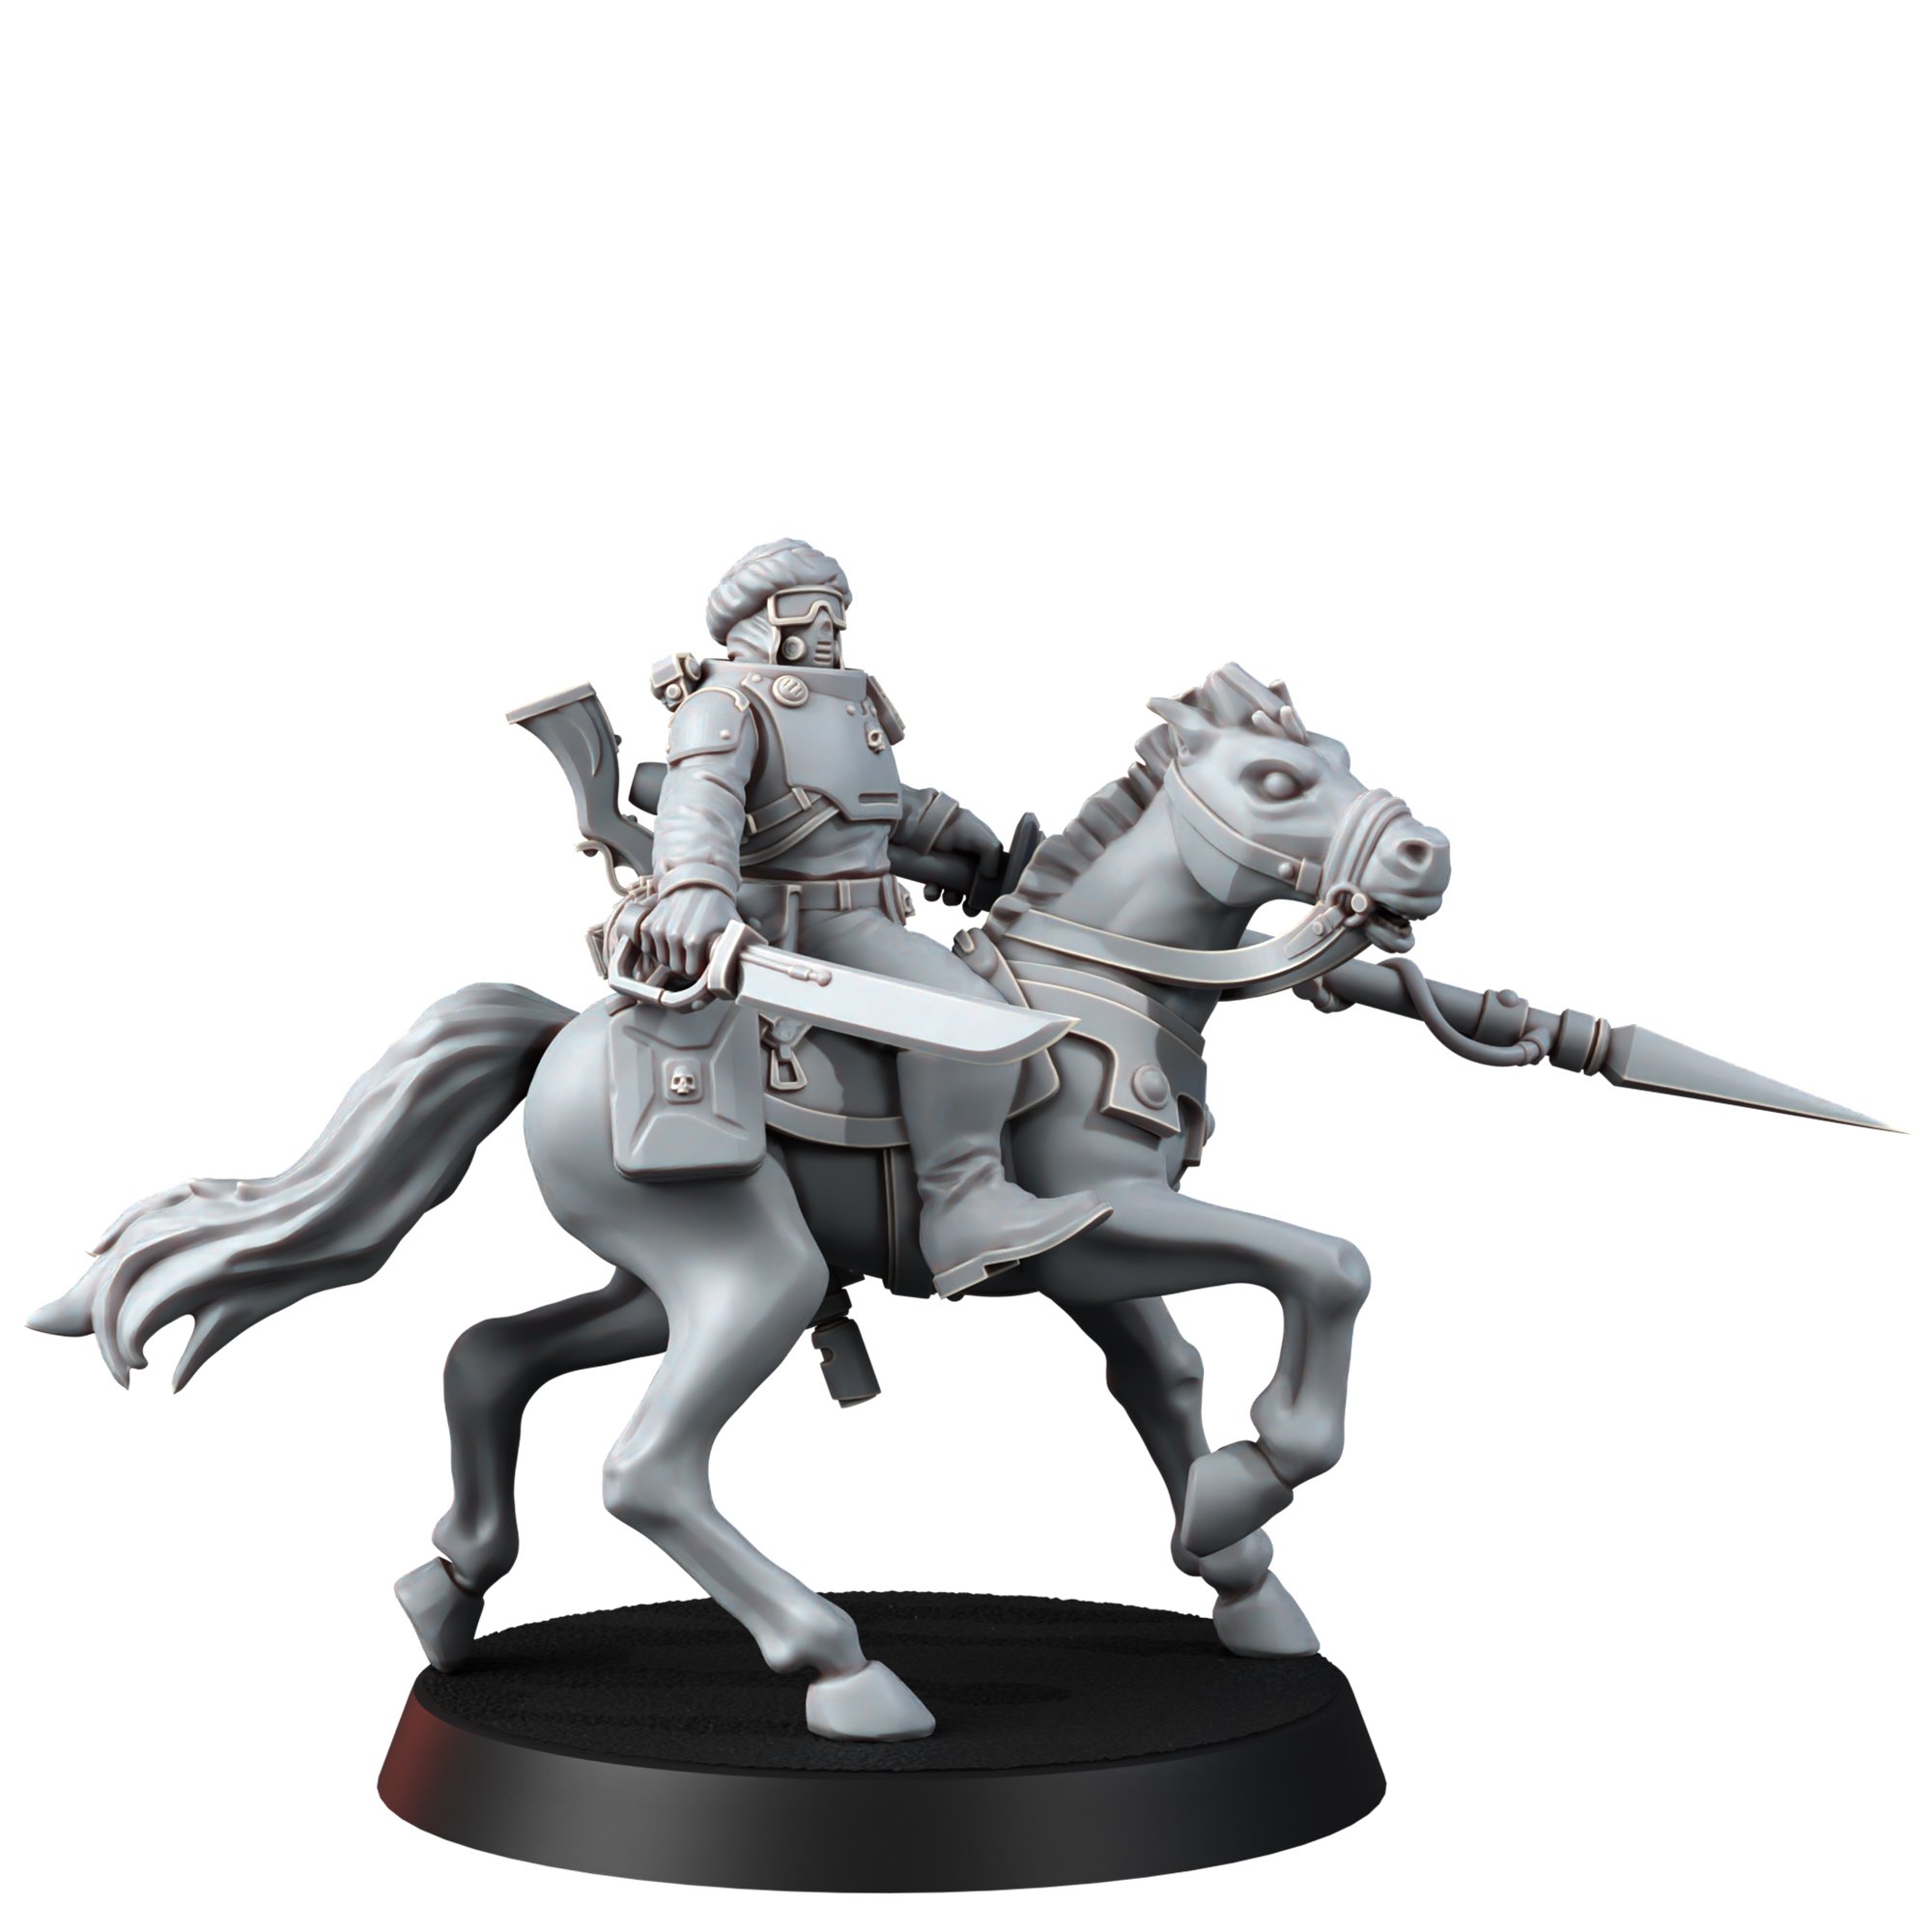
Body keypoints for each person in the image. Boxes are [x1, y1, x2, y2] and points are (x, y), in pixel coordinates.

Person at [639, 538, 1106, 1295]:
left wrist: (948, 825)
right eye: (806, 612)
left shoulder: (844, 702)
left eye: (835, 613)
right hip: (804, 927)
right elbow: (701, 805)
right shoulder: (723, 705)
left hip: (873, 912)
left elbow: (861, 799)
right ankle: (965, 1205)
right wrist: (693, 888)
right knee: (963, 1018)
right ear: (760, 619)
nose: (826, 629)